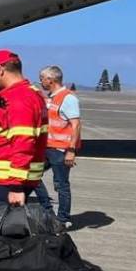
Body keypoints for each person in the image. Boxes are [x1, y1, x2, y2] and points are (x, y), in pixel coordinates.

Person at [0, 50, 48, 205]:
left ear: (0, 70)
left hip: (8, 178)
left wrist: (16, 185)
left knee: (5, 219)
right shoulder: (30, 93)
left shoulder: (18, 98)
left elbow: (23, 141)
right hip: (15, 176)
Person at [34, 65, 80, 227]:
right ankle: (47, 209)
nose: (41, 82)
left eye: (42, 79)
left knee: (61, 185)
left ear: (51, 80)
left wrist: (71, 150)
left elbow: (75, 125)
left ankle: (63, 219)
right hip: (47, 147)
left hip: (61, 149)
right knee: (32, 175)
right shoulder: (51, 98)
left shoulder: (68, 98)